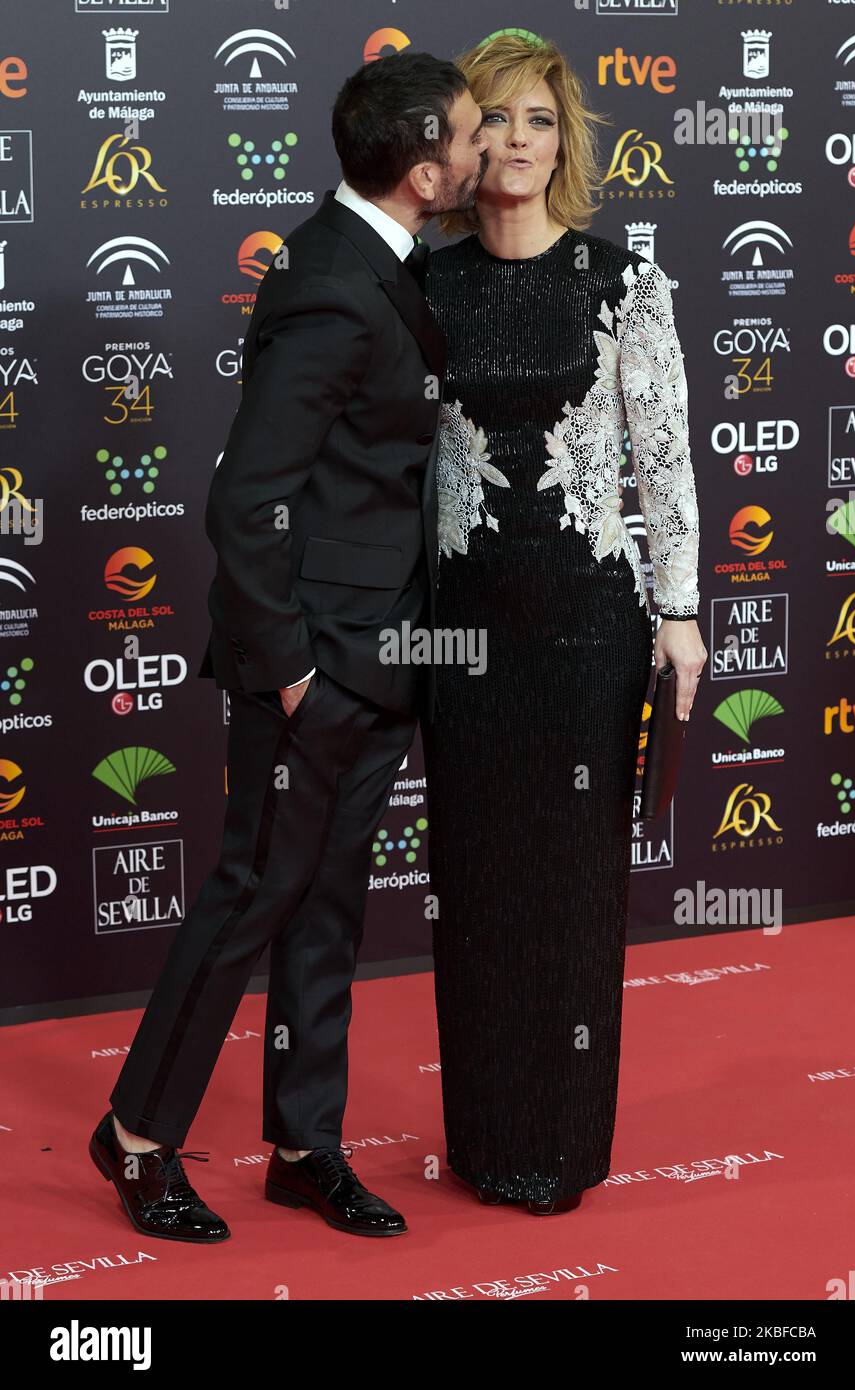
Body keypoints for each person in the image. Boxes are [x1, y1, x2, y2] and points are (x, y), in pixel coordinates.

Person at [89, 51, 489, 1242]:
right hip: (311, 664)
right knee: (250, 894)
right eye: (470, 136)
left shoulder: (382, 260)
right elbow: (245, 497)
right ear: (424, 169)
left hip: (381, 655)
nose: (482, 152)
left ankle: (304, 1144)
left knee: (325, 906)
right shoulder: (327, 279)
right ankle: (137, 1133)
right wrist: (290, 667)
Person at [420, 32, 707, 1214]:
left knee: (576, 890)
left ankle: (561, 1146)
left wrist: (679, 612)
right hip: (460, 631)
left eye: (538, 120)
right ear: (460, 139)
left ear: (563, 141)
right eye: (495, 119)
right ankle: (487, 1139)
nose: (517, 142)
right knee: (478, 883)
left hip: (588, 625)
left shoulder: (618, 281)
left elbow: (666, 455)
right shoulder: (422, 284)